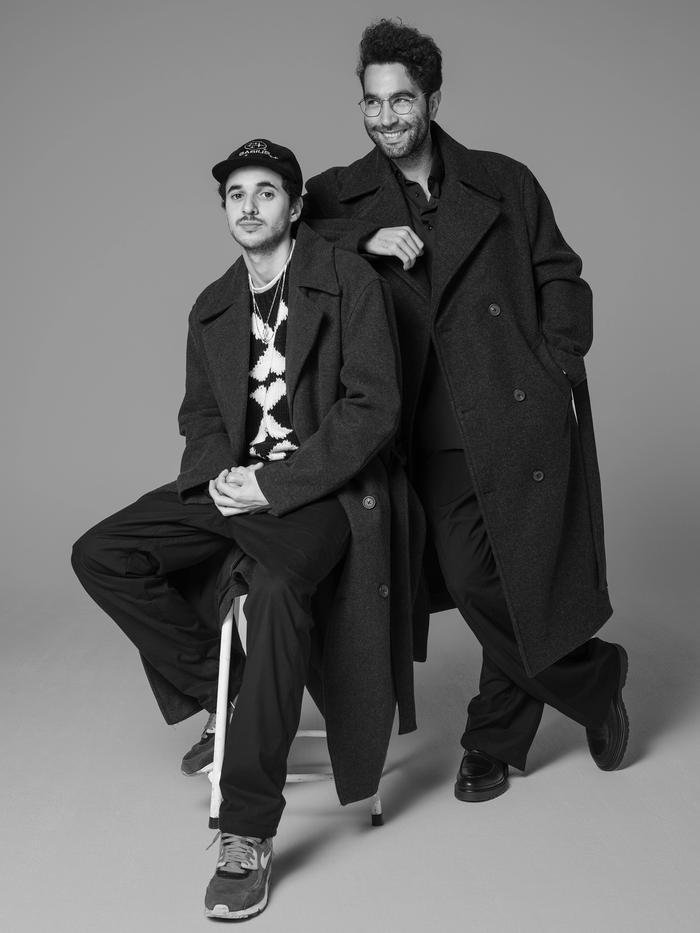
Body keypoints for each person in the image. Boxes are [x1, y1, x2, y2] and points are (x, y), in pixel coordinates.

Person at [71, 138, 413, 920]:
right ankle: (214, 694)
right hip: (235, 490)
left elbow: (373, 411)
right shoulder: (211, 306)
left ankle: (246, 830)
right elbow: (199, 414)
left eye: (267, 192)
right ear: (225, 209)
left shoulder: (348, 282)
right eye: (236, 194)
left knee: (277, 590)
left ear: (295, 206)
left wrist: (271, 483)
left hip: (322, 492)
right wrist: (219, 477)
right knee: (103, 553)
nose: (250, 205)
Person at [303, 19, 630, 805]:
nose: (386, 118)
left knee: (511, 572)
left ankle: (491, 741)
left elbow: (561, 273)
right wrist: (367, 239)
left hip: (516, 412)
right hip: (423, 429)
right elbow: (290, 242)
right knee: (476, 576)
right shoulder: (336, 195)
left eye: (402, 100)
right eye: (372, 102)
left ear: (433, 98)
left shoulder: (503, 180)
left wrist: (559, 359)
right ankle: (592, 676)